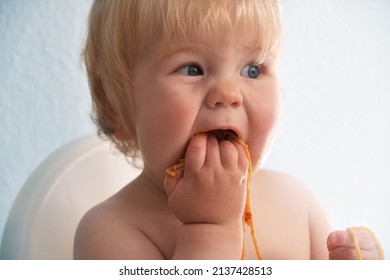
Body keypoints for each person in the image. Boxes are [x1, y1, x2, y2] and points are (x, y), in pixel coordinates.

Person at [74, 0, 384, 260]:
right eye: (192, 68)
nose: (228, 93)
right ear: (113, 104)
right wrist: (210, 229)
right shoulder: (109, 230)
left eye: (253, 69)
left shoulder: (297, 202)